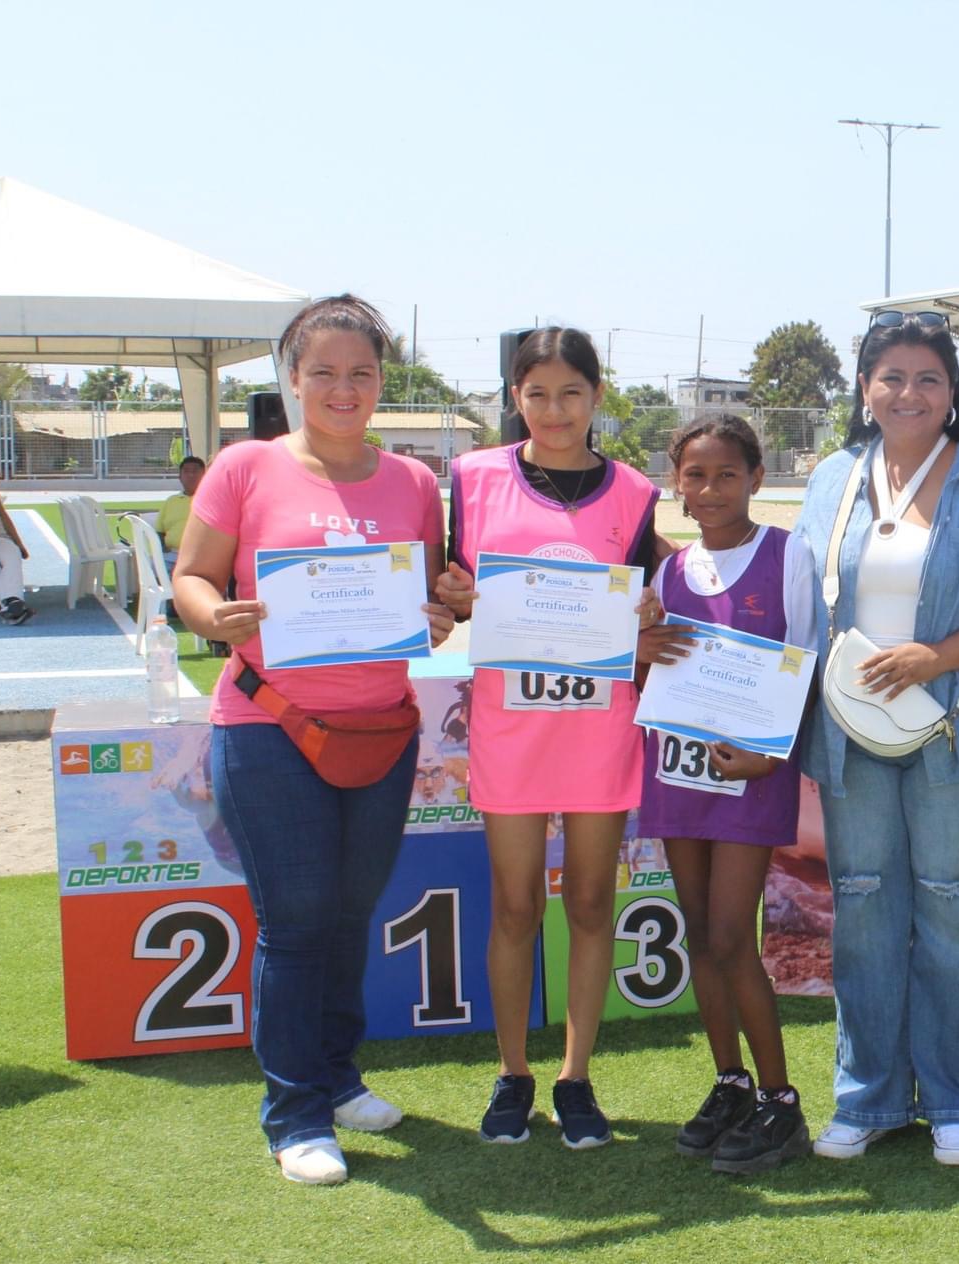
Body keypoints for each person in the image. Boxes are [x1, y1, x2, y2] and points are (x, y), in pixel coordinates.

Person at [172, 295, 454, 1185]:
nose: (343, 388)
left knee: (347, 916)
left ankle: (336, 1075)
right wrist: (214, 615)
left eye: (361, 372)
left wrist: (436, 618)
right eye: (324, 371)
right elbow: (190, 577)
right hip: (269, 725)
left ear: (382, 381)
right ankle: (294, 1113)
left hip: (381, 730)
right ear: (292, 378)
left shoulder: (413, 482)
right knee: (295, 924)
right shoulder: (244, 466)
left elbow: (428, 600)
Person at [793, 311, 959, 1167]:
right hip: (849, 728)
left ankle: (952, 1102)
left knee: (948, 901)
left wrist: (935, 657)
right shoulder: (833, 476)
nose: (909, 392)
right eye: (892, 377)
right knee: (863, 902)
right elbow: (802, 596)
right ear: (865, 388)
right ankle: (866, 1098)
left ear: (953, 391)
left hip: (958, 722)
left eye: (928, 377)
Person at [432, 326, 664, 1150]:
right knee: (516, 904)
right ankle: (512, 1072)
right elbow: (450, 588)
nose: (555, 410)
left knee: (593, 901)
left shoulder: (634, 491)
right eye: (537, 394)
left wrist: (650, 611)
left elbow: (655, 597)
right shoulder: (473, 478)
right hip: (512, 726)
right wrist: (454, 592)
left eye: (571, 393)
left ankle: (575, 1075)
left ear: (597, 395)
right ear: (515, 397)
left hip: (599, 727)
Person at [640, 415, 819, 1173]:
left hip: (751, 775)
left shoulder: (787, 555)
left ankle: (781, 1100)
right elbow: (651, 674)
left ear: (756, 478)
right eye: (695, 475)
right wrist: (640, 650)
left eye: (726, 474)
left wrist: (768, 755)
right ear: (675, 484)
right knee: (698, 936)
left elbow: (806, 662)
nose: (710, 489)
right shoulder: (668, 573)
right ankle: (731, 1082)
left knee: (729, 937)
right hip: (679, 771)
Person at [0, 463, 34, 624]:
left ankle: (11, 605)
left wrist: (18, 543)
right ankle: (13, 605)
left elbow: (1, 516)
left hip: (0, 538)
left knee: (12, 556)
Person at [157, 455, 205, 570]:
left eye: (195, 471)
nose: (191, 475)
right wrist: (162, 546)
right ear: (180, 477)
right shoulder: (171, 501)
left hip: (202, 557)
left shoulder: (212, 501)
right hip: (171, 556)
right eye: (186, 471)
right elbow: (159, 531)